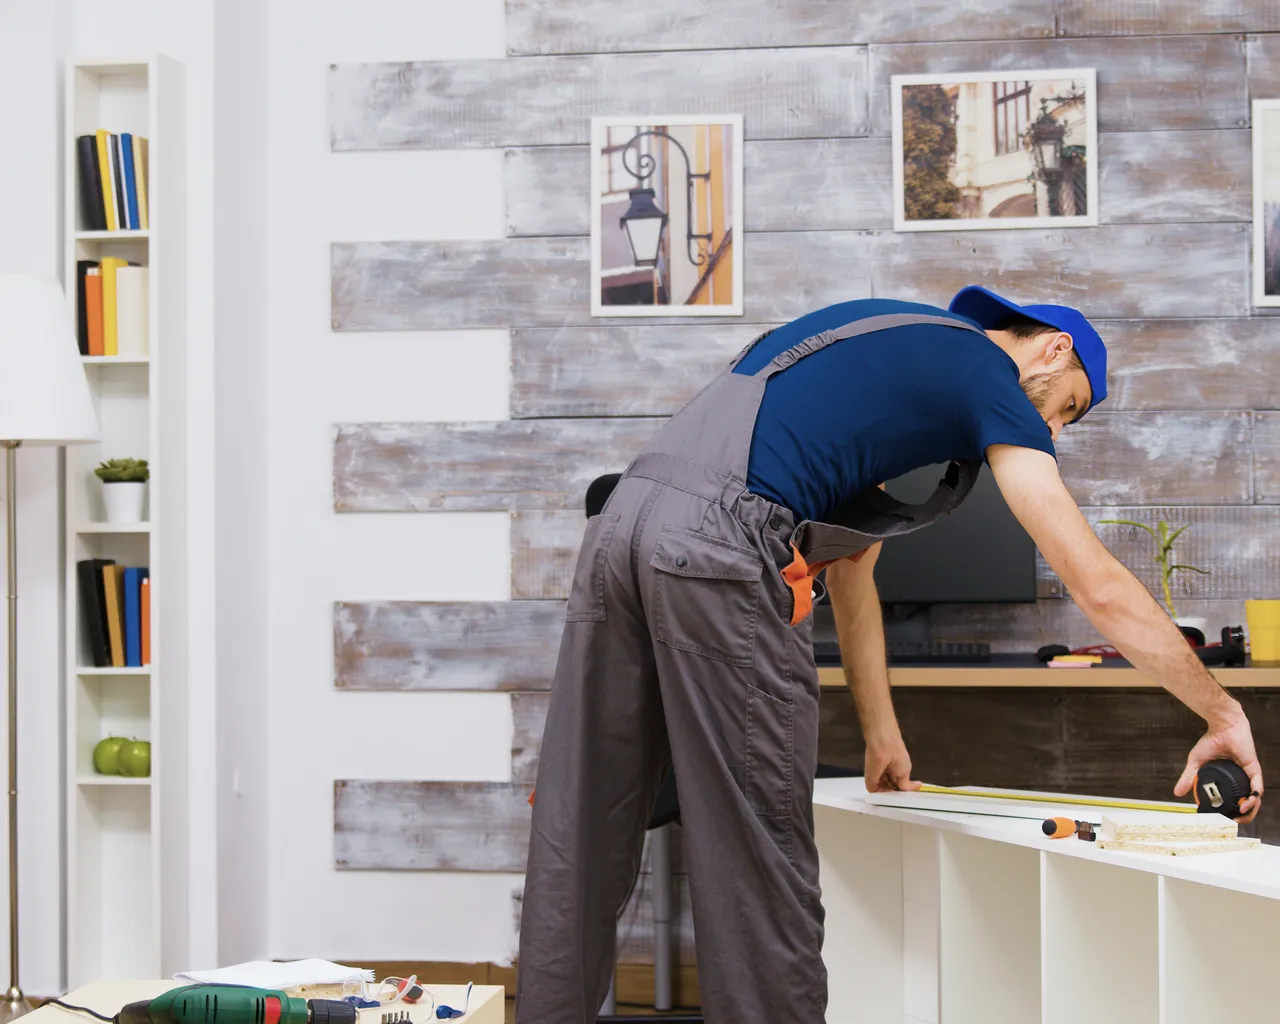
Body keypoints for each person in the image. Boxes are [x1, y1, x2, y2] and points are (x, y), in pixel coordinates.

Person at [514, 287, 1264, 1024]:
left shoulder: (892, 346)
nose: (1056, 431)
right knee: (758, 859)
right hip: (716, 547)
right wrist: (1221, 709)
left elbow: (852, 571)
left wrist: (881, 734)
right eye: (1068, 406)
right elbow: (1093, 582)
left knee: (582, 819)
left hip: (620, 528)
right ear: (1053, 348)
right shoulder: (988, 375)